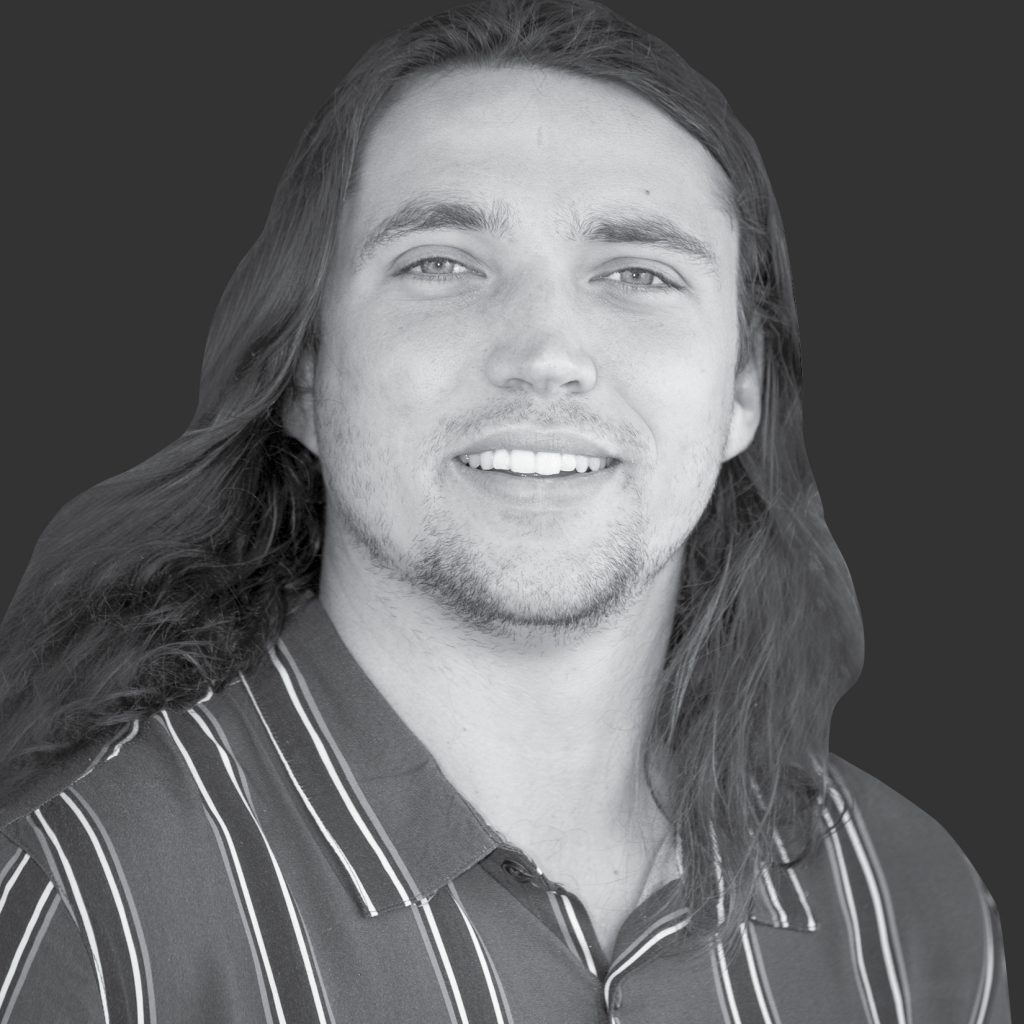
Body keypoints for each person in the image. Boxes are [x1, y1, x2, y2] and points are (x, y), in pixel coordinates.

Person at [0, 0, 1010, 1020]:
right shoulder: (82, 901)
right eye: (439, 264)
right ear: (304, 370)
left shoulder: (911, 913)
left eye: (638, 273)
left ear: (742, 387)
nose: (545, 355)